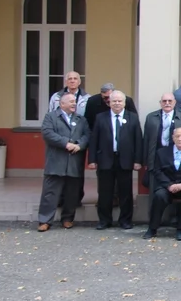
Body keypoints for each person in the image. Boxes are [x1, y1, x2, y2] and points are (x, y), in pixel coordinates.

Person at [88, 90, 143, 230]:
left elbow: (138, 140)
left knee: (125, 192)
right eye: (114, 101)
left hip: (125, 160)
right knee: (105, 192)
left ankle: (125, 220)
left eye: (120, 101)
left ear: (125, 103)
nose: (117, 103)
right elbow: (94, 140)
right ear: (109, 103)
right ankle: (104, 220)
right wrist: (92, 159)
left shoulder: (133, 118)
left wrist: (138, 160)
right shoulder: (100, 118)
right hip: (105, 159)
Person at [37, 94, 90, 232]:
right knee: (50, 193)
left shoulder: (81, 119)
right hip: (56, 161)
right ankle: (44, 220)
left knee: (71, 193)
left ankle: (67, 219)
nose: (74, 104)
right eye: (71, 101)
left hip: (74, 161)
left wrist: (79, 145)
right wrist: (65, 143)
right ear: (62, 104)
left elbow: (87, 135)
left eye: (75, 101)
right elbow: (48, 133)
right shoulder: (51, 117)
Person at [144, 127, 181, 241]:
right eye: (177, 136)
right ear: (173, 138)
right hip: (167, 186)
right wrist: (169, 185)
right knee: (159, 196)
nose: (180, 139)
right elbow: (157, 171)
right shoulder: (161, 153)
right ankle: (152, 228)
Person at [143, 93, 181, 192]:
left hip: (174, 155)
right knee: (155, 187)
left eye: (170, 101)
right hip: (156, 155)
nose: (167, 103)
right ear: (160, 103)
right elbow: (146, 139)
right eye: (164, 101)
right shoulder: (151, 117)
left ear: (175, 102)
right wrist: (146, 160)